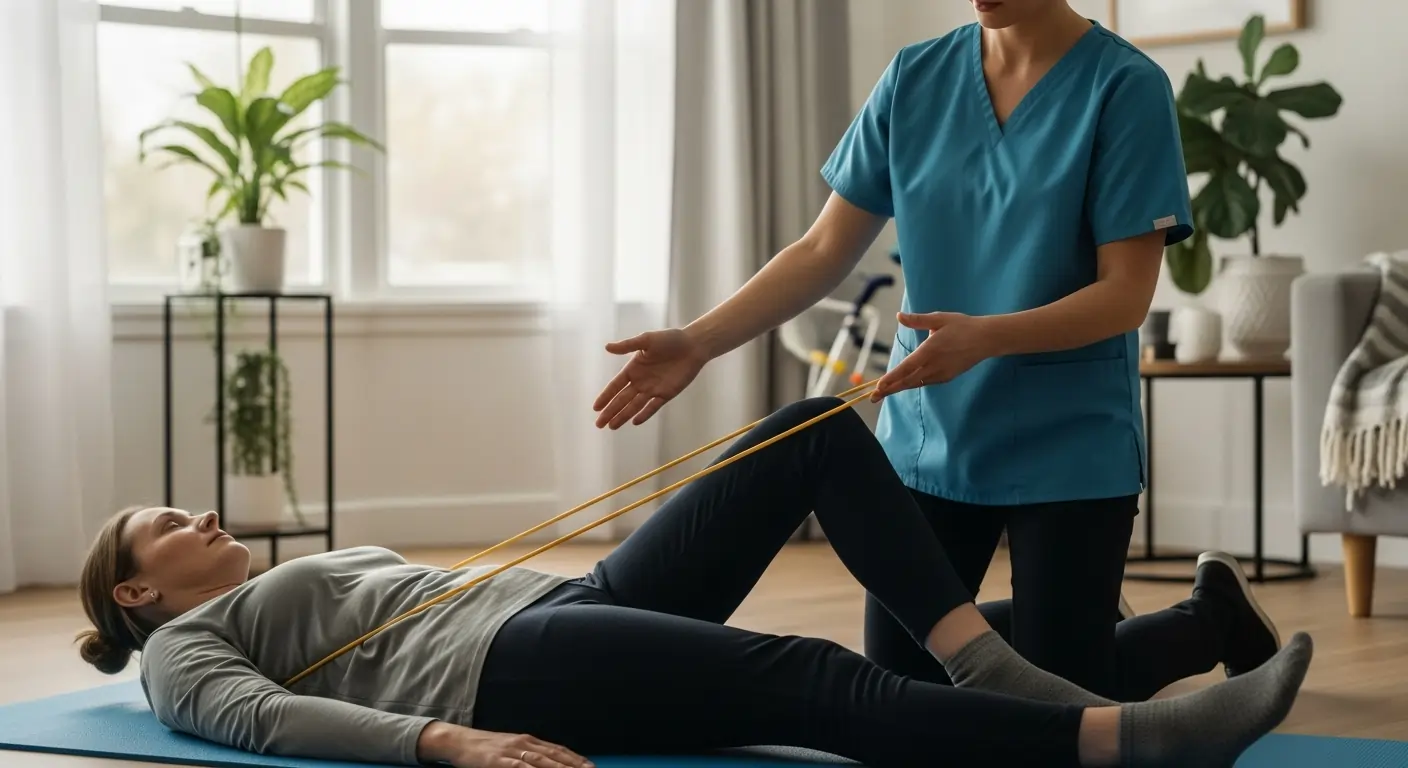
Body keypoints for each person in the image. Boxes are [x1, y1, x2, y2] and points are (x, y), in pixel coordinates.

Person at [588, 0, 1272, 701]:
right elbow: (824, 248)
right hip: (929, 435)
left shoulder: (1124, 87)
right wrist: (698, 342)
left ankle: (1205, 620)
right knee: (905, 696)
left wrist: (987, 337)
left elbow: (1125, 296)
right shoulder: (915, 78)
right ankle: (1093, 628)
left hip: (1070, 444)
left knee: (1055, 713)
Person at [77, 399, 1309, 768]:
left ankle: (1016, 660)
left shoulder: (290, 576)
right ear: (137, 593)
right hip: (506, 673)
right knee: (810, 680)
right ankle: (1126, 744)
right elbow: (269, 719)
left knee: (810, 430)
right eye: (166, 525)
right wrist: (447, 747)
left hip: (561, 607)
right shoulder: (184, 654)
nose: (199, 515)